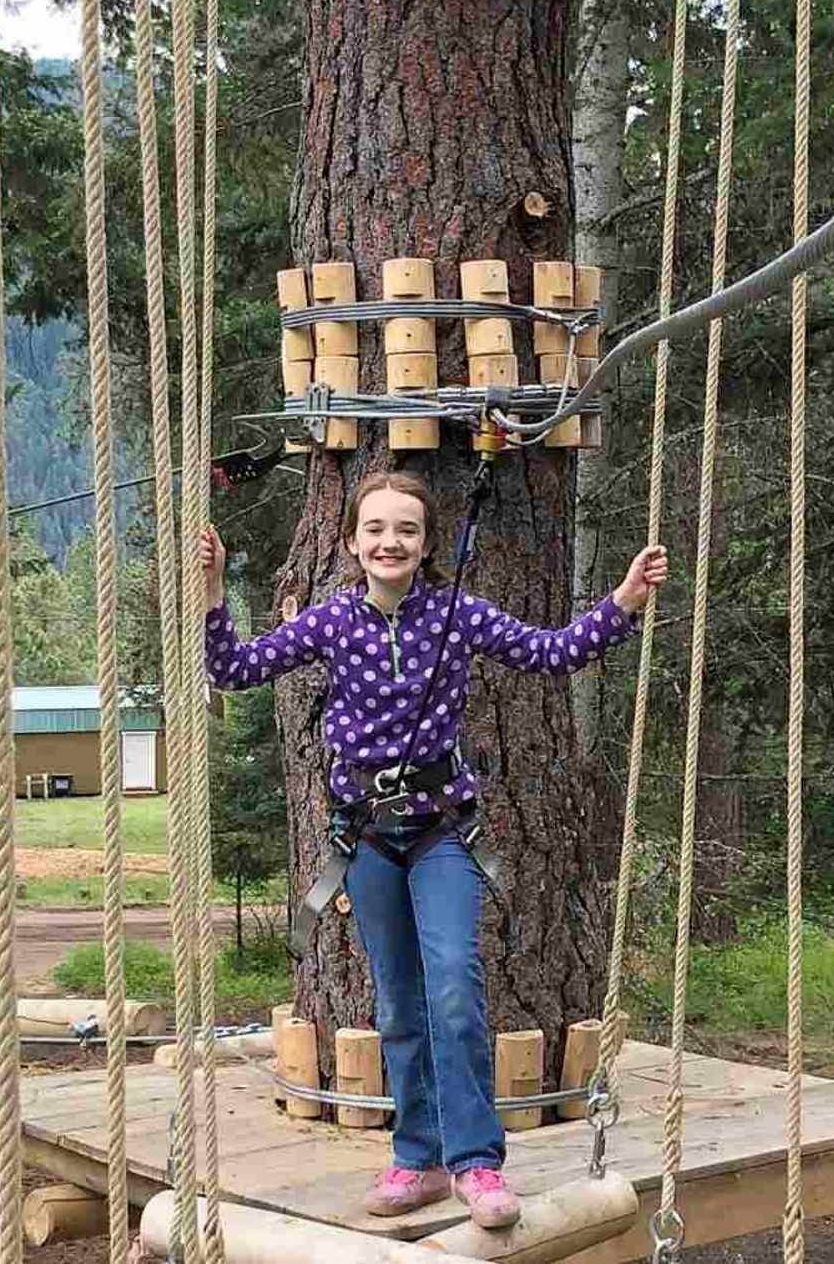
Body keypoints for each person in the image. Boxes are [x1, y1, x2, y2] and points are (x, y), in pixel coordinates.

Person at [201, 470, 667, 1229]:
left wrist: (623, 603)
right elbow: (237, 668)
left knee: (453, 983)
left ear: (427, 543)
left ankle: (476, 1163)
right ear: (351, 541)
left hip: (442, 831)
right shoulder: (332, 622)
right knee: (397, 1002)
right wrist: (214, 591)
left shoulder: (456, 615)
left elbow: (550, 652)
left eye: (407, 530)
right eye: (377, 529)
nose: (391, 542)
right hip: (367, 837)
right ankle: (416, 1156)